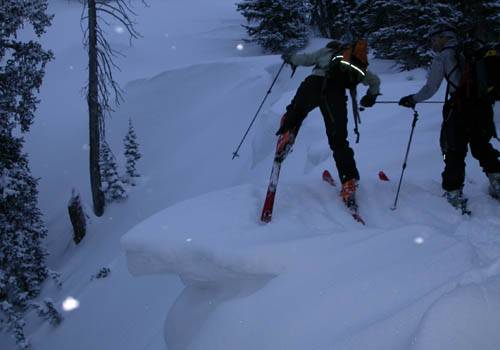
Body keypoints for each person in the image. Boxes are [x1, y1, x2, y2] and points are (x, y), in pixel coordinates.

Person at [399, 23, 500, 212]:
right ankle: (497, 181)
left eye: (434, 39)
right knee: (482, 146)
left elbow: (431, 88)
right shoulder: (476, 51)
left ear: (444, 37)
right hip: (483, 108)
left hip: (460, 109)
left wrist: (412, 99)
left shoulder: (444, 57)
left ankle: (454, 192)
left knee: (453, 150)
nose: (433, 43)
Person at [277, 40, 381, 209]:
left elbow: (305, 59)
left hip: (314, 84)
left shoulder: (326, 51)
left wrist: (289, 57)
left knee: (296, 111)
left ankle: (288, 135)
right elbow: (374, 81)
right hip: (336, 94)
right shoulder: (352, 61)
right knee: (339, 140)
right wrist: (371, 96)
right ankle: (348, 182)